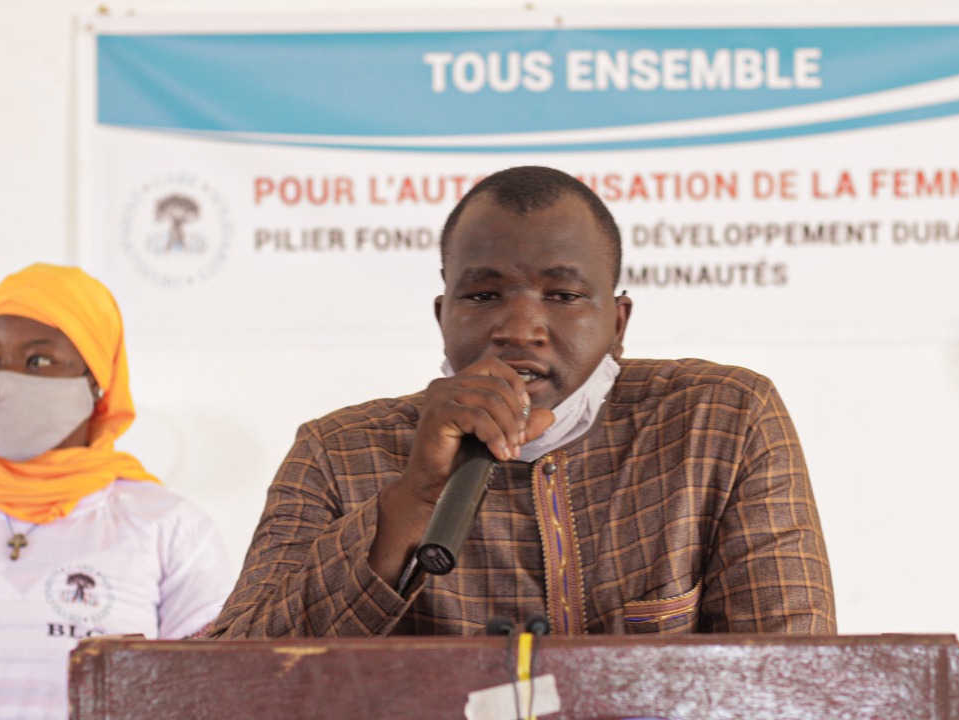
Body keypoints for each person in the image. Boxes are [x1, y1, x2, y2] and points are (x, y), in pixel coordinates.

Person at [212, 166, 835, 638]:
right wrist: (415, 497)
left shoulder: (721, 420)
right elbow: (232, 680)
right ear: (442, 316)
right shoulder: (337, 452)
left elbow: (794, 676)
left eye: (562, 296)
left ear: (618, 323)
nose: (518, 330)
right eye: (483, 297)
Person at [0, 264, 233, 719]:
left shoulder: (167, 526)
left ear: (96, 381)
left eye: (38, 361)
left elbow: (214, 691)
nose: (2, 383)